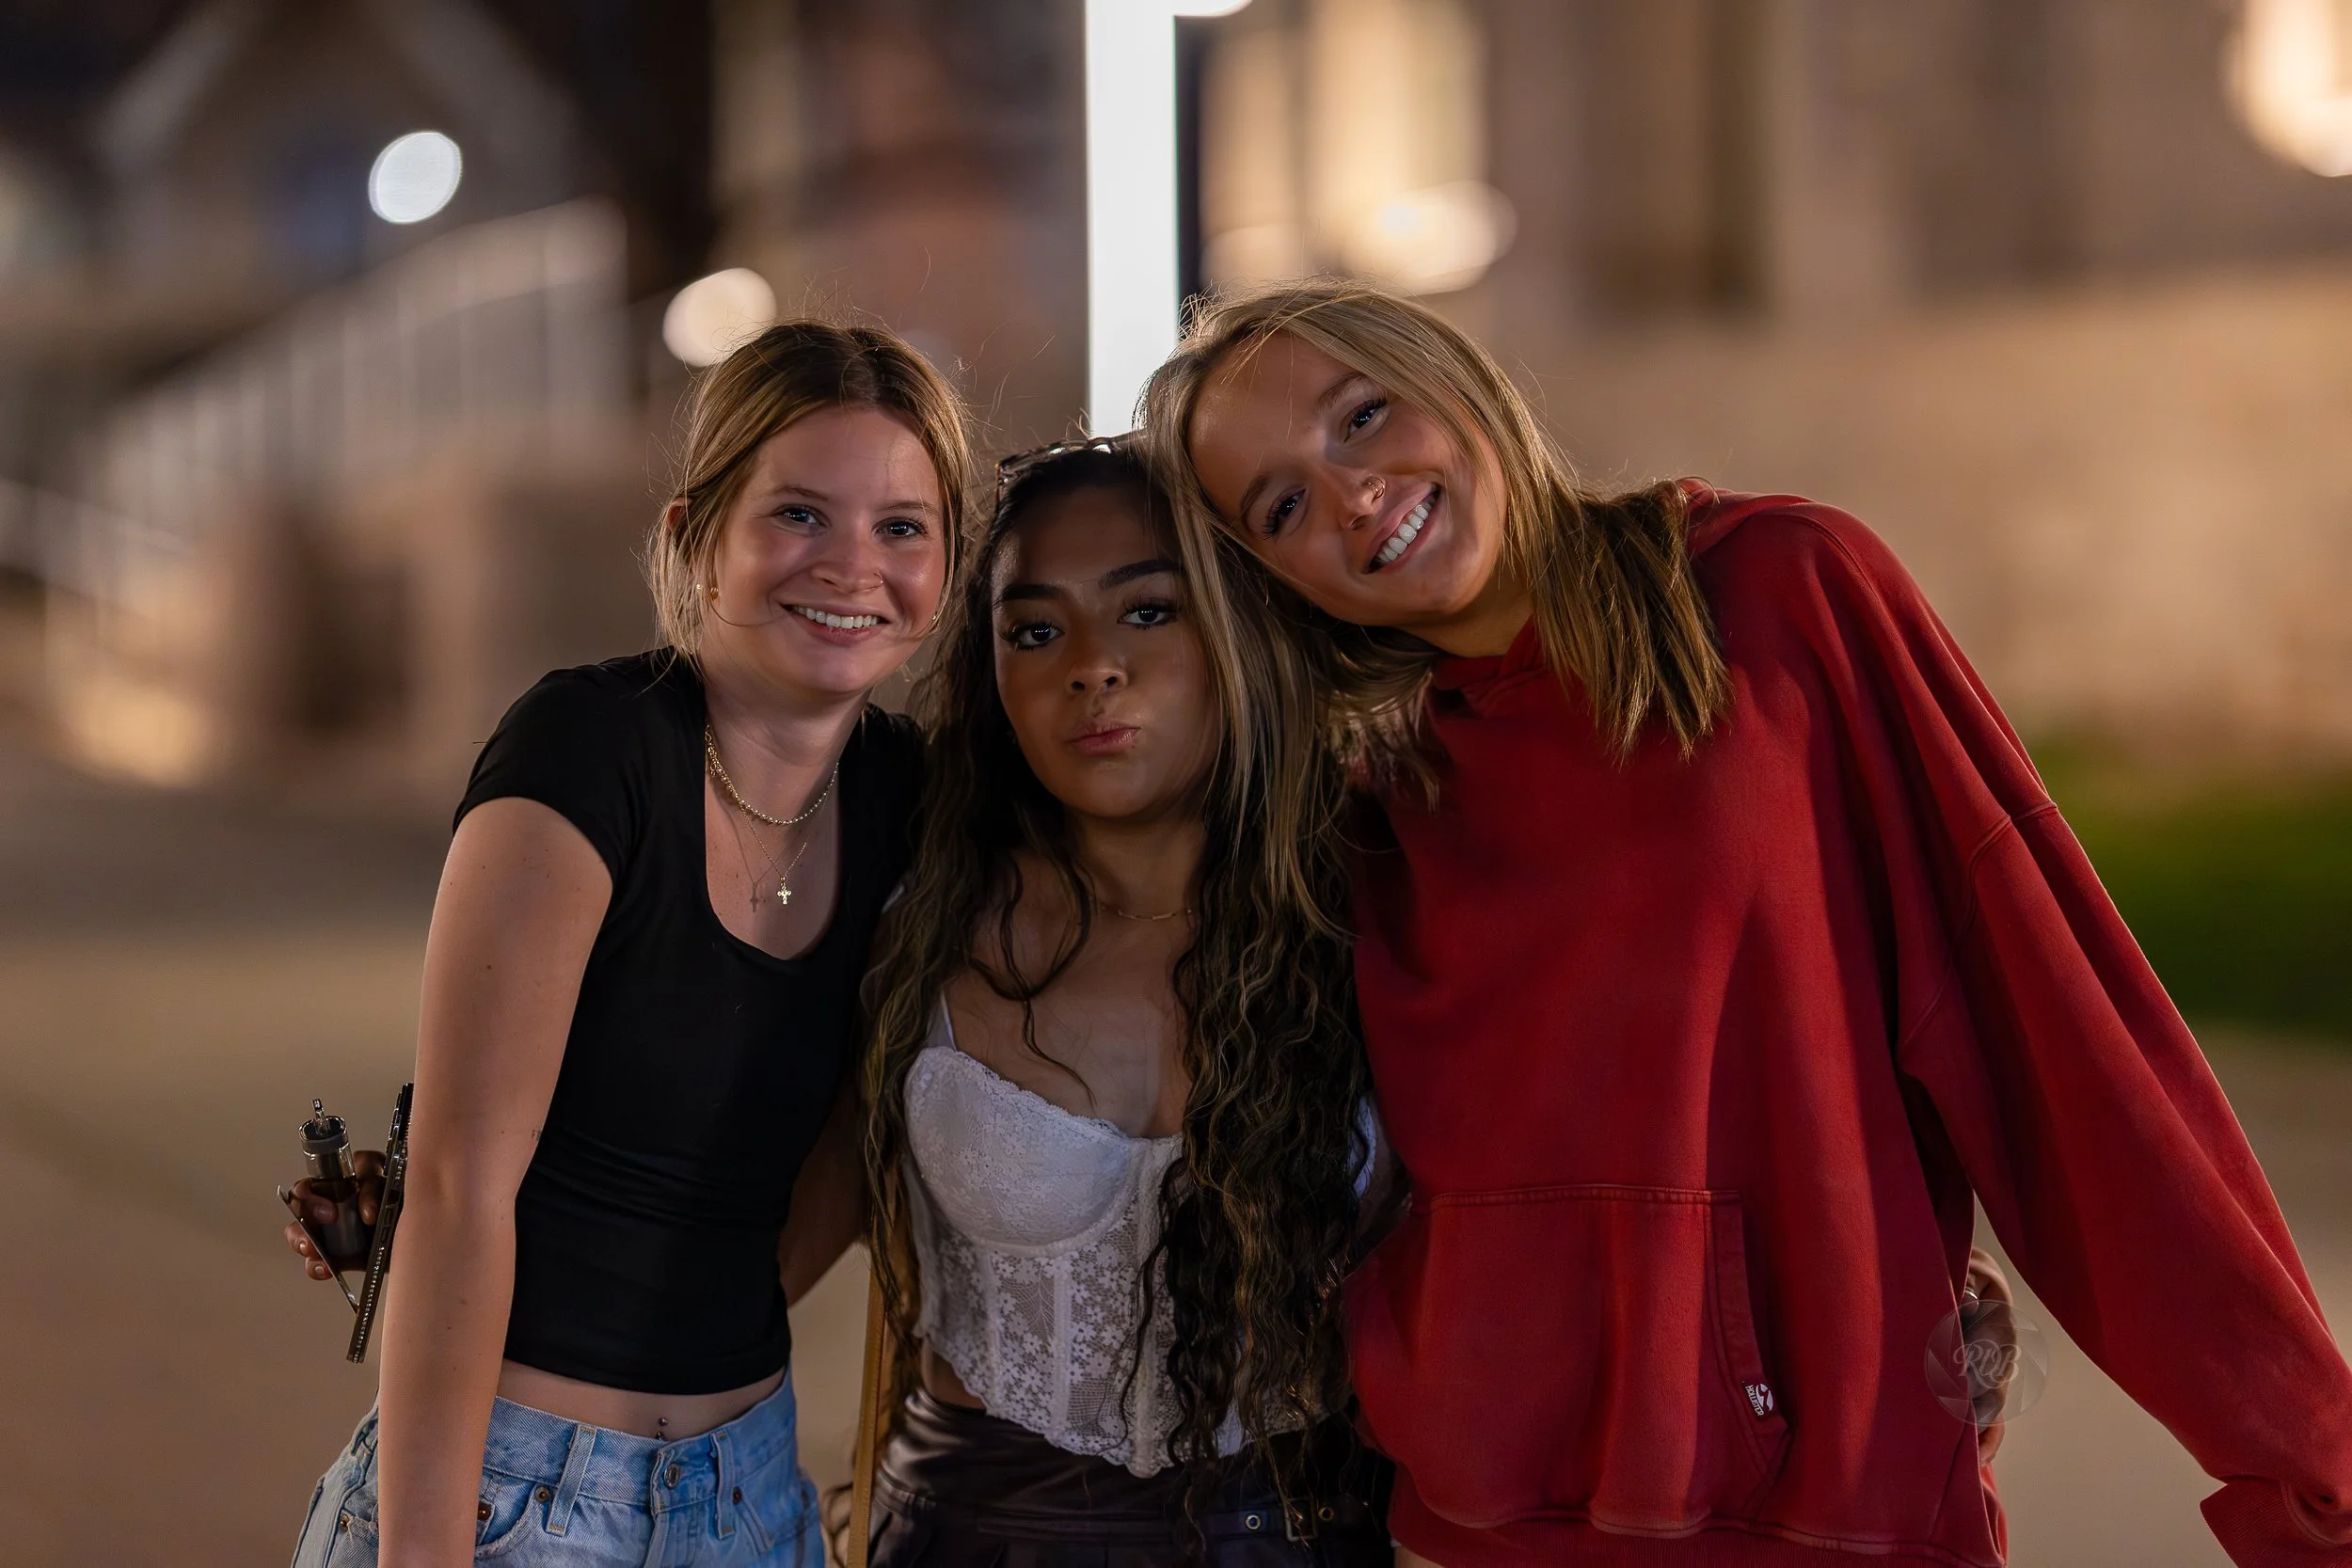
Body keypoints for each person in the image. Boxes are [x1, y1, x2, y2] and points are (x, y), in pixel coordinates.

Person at [1141, 278, 2352, 1568]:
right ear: (1266, 580)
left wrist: (2311, 1468)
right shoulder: (1359, 802)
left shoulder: (1782, 595)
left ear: (1452, 377)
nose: (1351, 493)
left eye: (1362, 416)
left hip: (1826, 1516)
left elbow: (2064, 1049)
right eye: (1279, 505)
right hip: (1482, 1527)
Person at [282, 321, 968, 1567]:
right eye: (799, 514)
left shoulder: (905, 799)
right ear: (697, 535)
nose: (854, 563)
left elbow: (848, 1161)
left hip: (752, 1489)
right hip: (511, 1492)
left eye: (904, 526)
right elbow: (454, 1187)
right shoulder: (590, 749)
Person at [854, 439, 1393, 1565]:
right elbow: (740, 1238)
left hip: (1306, 1535)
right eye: (1036, 631)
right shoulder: (916, 927)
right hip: (979, 1536)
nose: (1091, 667)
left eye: (1148, 611)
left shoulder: (1381, 909)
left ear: (1239, 626)